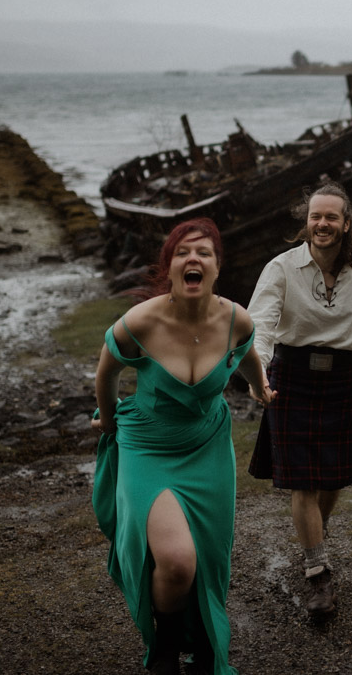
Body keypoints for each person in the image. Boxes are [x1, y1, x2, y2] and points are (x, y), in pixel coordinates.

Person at [91, 217, 275, 675]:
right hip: (148, 446)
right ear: (170, 267)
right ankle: (166, 652)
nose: (194, 259)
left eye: (204, 253)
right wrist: (109, 419)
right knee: (176, 561)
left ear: (216, 267)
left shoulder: (235, 319)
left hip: (206, 443)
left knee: (209, 557)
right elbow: (107, 370)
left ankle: (200, 647)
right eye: (183, 252)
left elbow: (247, 354)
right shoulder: (142, 321)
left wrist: (260, 387)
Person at [247, 181, 352, 618]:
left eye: (331, 217)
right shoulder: (281, 267)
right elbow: (260, 327)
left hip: (343, 380)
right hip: (290, 378)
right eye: (316, 216)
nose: (322, 224)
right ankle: (318, 572)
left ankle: (317, 533)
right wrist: (258, 375)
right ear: (306, 222)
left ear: (346, 223)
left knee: (332, 478)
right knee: (304, 481)